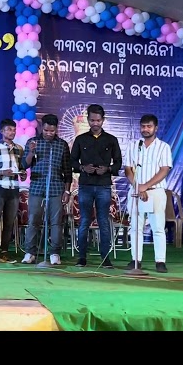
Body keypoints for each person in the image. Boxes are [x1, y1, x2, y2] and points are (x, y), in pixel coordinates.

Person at [70, 104, 122, 268]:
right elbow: (72, 161)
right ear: (88, 120)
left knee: (103, 222)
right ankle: (82, 258)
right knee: (84, 221)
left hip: (104, 186)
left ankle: (106, 258)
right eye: (92, 120)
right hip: (85, 185)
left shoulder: (111, 140)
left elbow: (118, 162)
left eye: (98, 120)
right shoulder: (80, 139)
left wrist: (108, 169)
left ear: (103, 120)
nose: (95, 123)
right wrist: (82, 168)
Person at [20, 114, 73, 265]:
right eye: (46, 130)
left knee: (56, 222)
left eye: (52, 131)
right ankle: (30, 253)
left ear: (56, 129)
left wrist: (67, 191)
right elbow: (25, 165)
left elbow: (67, 170)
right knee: (33, 220)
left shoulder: (62, 144)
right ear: (41, 127)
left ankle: (54, 253)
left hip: (56, 187)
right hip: (37, 186)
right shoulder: (33, 142)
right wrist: (31, 152)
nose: (49, 133)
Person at [124, 114, 173, 273]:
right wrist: (138, 188)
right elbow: (128, 169)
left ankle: (160, 261)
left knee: (158, 227)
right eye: (143, 126)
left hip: (156, 191)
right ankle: (135, 259)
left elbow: (164, 170)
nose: (145, 129)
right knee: (135, 228)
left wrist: (145, 186)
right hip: (136, 191)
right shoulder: (133, 145)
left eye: (149, 126)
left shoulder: (163, 147)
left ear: (156, 128)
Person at [0, 118, 25, 264]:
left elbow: (21, 168)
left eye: (14, 130)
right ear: (2, 131)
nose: (12, 132)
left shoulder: (19, 149)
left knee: (9, 223)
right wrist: (3, 172)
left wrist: (22, 173)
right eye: (8, 129)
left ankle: (4, 252)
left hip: (13, 188)